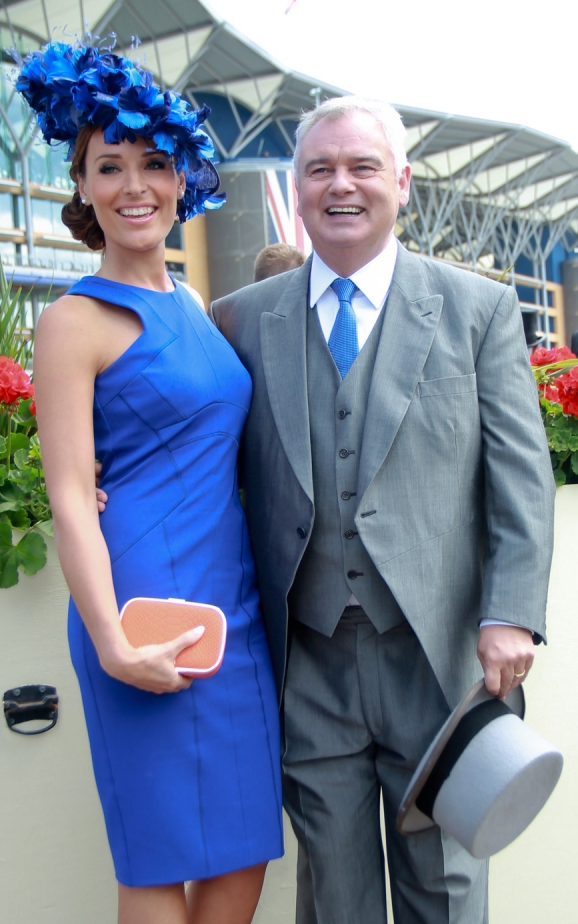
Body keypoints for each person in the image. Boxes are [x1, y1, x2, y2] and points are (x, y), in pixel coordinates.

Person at [209, 97, 555, 924]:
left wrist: (511, 611)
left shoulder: (478, 309)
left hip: (436, 656)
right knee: (334, 894)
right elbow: (210, 464)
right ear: (296, 191)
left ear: (400, 182)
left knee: (444, 882)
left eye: (362, 167)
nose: (342, 185)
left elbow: (521, 476)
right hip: (309, 662)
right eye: (320, 169)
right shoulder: (242, 319)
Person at [16, 42, 283, 924]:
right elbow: (67, 493)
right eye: (110, 166)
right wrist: (109, 640)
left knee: (246, 854)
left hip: (230, 609)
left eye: (154, 164)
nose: (136, 185)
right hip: (135, 605)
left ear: (182, 181)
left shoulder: (200, 308)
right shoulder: (73, 320)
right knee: (158, 863)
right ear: (84, 187)